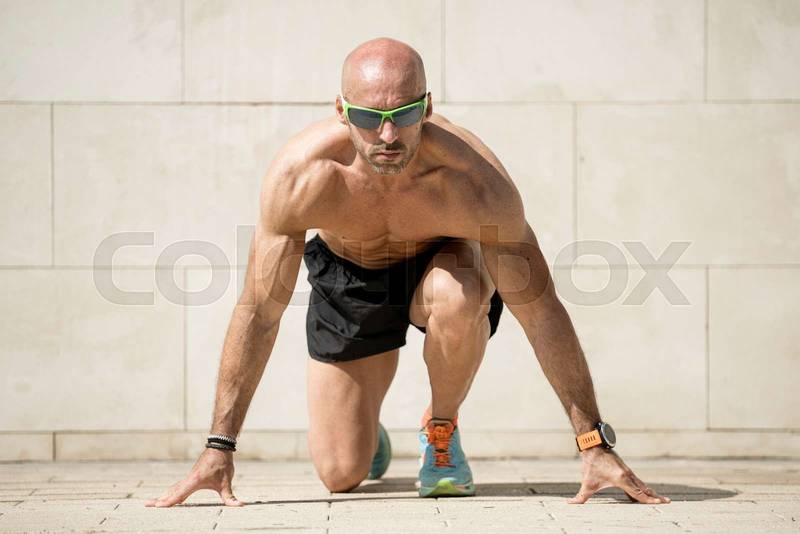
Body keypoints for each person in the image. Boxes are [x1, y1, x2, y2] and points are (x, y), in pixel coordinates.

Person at [145, 37, 670, 507]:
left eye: (405, 113)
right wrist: (219, 447)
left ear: (428, 106)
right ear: (341, 110)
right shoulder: (303, 176)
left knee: (459, 294)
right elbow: (260, 311)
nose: (388, 133)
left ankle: (441, 428)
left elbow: (540, 310)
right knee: (339, 473)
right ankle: (367, 430)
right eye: (368, 116)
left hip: (440, 262)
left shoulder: (474, 180)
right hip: (349, 278)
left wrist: (593, 443)